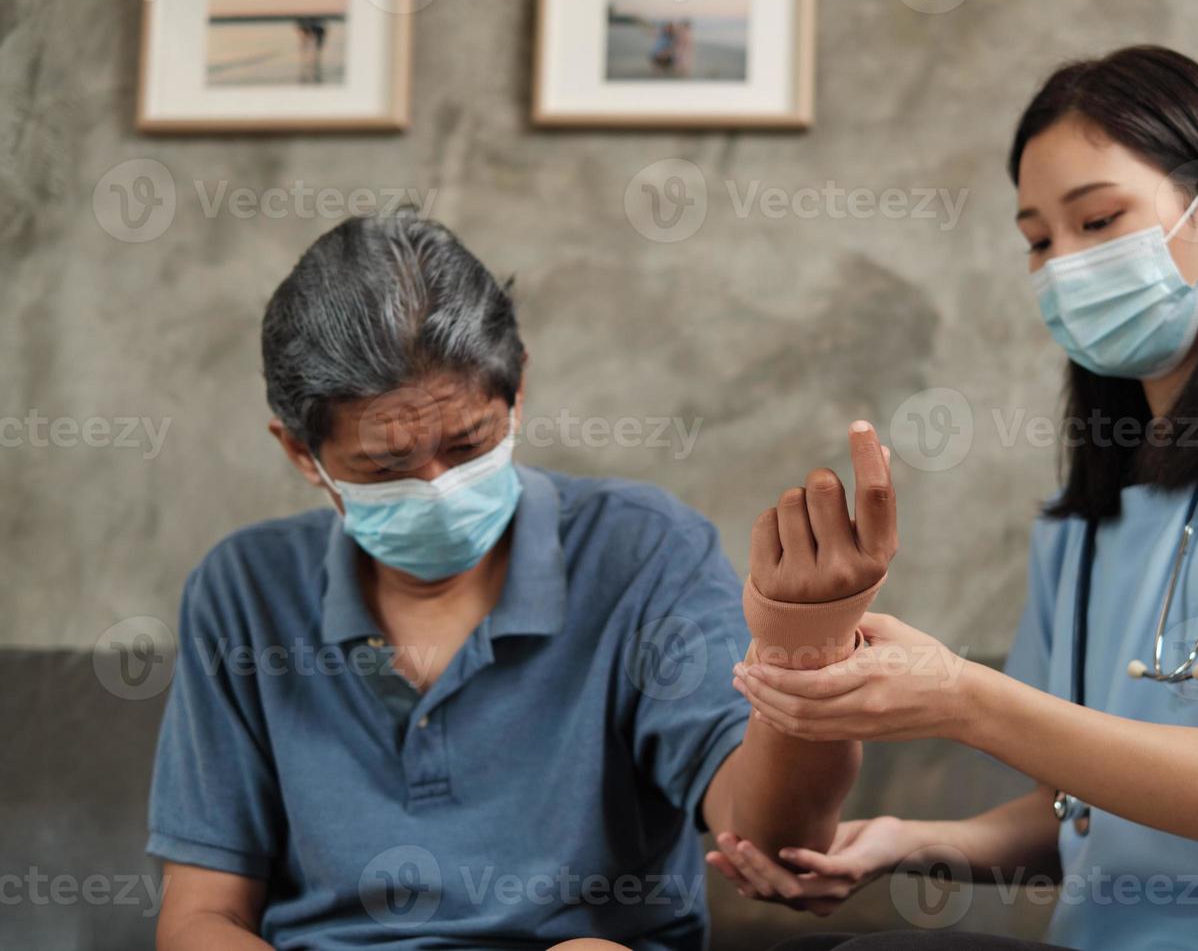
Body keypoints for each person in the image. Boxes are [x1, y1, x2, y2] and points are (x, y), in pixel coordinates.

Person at [711, 45, 1198, 950]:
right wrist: (907, 842)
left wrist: (959, 695)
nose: (1063, 266)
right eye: (1037, 240)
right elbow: (1079, 811)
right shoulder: (1086, 524)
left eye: (1099, 220)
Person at [146, 211, 897, 950]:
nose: (439, 486)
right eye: (385, 467)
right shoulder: (245, 590)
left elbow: (772, 842)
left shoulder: (641, 551)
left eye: (468, 443)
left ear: (518, 388)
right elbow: (199, 918)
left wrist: (808, 655)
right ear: (300, 453)